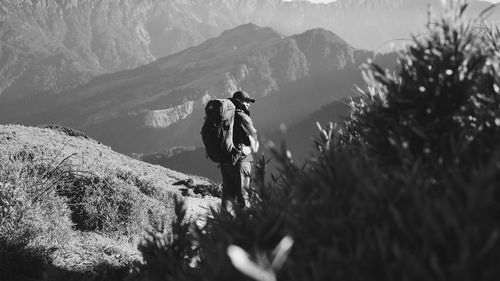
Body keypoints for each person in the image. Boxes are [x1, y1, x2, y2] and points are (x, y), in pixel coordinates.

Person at [220, 90, 259, 211]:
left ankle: (223, 224)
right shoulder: (242, 117)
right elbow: (252, 138)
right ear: (241, 102)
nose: (248, 104)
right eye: (247, 101)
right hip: (241, 160)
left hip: (225, 160)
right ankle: (244, 226)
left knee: (228, 194)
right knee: (243, 195)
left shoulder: (225, 115)